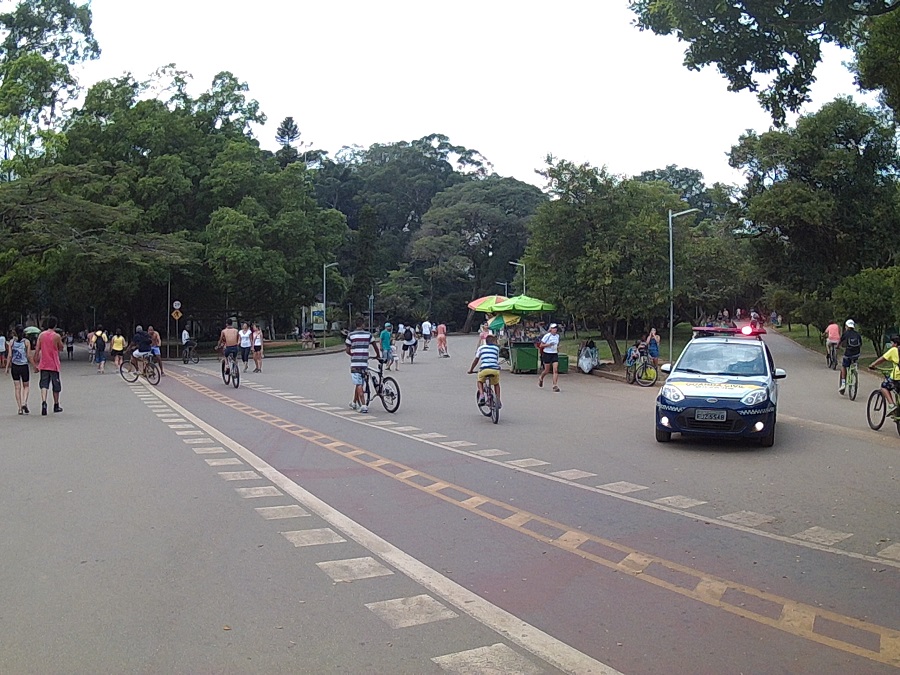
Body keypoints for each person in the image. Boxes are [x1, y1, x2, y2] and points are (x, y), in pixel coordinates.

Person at [345, 317, 380, 413]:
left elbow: (347, 350)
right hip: (364, 363)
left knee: (358, 383)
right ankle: (354, 402)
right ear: (363, 325)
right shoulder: (368, 335)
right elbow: (375, 346)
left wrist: (354, 354)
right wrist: (378, 355)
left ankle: (364, 405)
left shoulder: (350, 335)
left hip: (355, 363)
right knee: (359, 382)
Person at [33, 316, 64, 415]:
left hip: (44, 363)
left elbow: (37, 349)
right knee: (56, 385)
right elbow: (61, 348)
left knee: (44, 385)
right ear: (55, 325)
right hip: (54, 364)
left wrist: (36, 363)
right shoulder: (56, 336)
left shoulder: (41, 335)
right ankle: (56, 405)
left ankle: (44, 402)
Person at [869, 334, 900, 416]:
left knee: (884, 386)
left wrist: (873, 365)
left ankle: (892, 405)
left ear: (895, 344)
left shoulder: (894, 350)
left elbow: (882, 359)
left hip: (897, 377)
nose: (891, 345)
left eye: (892, 343)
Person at [468, 333, 502, 408]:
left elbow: (476, 360)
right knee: (496, 384)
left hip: (484, 369)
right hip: (494, 369)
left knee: (480, 381)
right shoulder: (496, 348)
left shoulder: (481, 348)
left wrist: (471, 370)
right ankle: (498, 400)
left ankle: (482, 395)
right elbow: (496, 359)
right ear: (494, 342)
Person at [5, 325, 31, 414]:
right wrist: (35, 365)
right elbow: (28, 355)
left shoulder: (11, 342)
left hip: (15, 366)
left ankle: (20, 408)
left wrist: (7, 367)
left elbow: (9, 355)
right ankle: (24, 402)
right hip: (24, 366)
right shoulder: (26, 342)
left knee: (17, 388)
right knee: (26, 386)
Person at [838, 319, 862, 394]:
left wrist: (838, 346)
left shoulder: (846, 333)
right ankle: (854, 369)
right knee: (854, 361)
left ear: (847, 326)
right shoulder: (857, 334)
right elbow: (860, 343)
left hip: (848, 353)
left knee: (843, 366)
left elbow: (840, 341)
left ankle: (843, 383)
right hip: (856, 354)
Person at [537, 323, 561, 392]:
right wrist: (548, 345)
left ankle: (554, 385)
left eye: (556, 328)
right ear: (550, 329)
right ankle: (541, 378)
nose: (555, 330)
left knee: (555, 370)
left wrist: (558, 348)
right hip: (547, 354)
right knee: (547, 370)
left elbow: (557, 344)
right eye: (553, 328)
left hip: (554, 354)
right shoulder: (547, 336)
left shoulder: (557, 336)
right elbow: (541, 345)